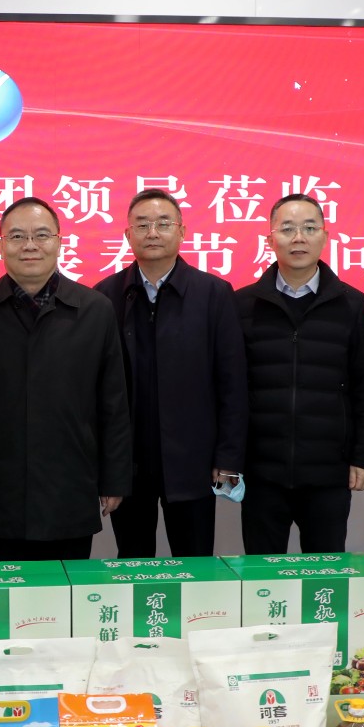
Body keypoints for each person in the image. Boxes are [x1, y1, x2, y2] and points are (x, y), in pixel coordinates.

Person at [0, 197, 131, 560]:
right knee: (4, 590)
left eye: (41, 235)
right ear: (0, 246)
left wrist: (114, 479)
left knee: (68, 591)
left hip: (71, 490)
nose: (29, 245)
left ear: (59, 242)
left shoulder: (95, 310)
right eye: (17, 236)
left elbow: (114, 405)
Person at [94, 188, 248, 557]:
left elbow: (232, 382)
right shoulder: (104, 297)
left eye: (163, 224)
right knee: (133, 562)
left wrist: (228, 457)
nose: (152, 232)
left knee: (195, 561)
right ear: (127, 234)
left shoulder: (214, 293)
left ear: (181, 232)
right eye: (142, 225)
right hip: (128, 461)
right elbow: (94, 389)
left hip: (193, 458)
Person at [235, 193, 364, 554]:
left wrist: (363, 456)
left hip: (328, 474)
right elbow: (230, 389)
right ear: (270, 239)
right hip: (262, 474)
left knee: (324, 576)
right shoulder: (242, 304)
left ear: (325, 237)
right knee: (262, 578)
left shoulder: (352, 304)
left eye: (309, 228)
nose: (298, 237)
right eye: (287, 229)